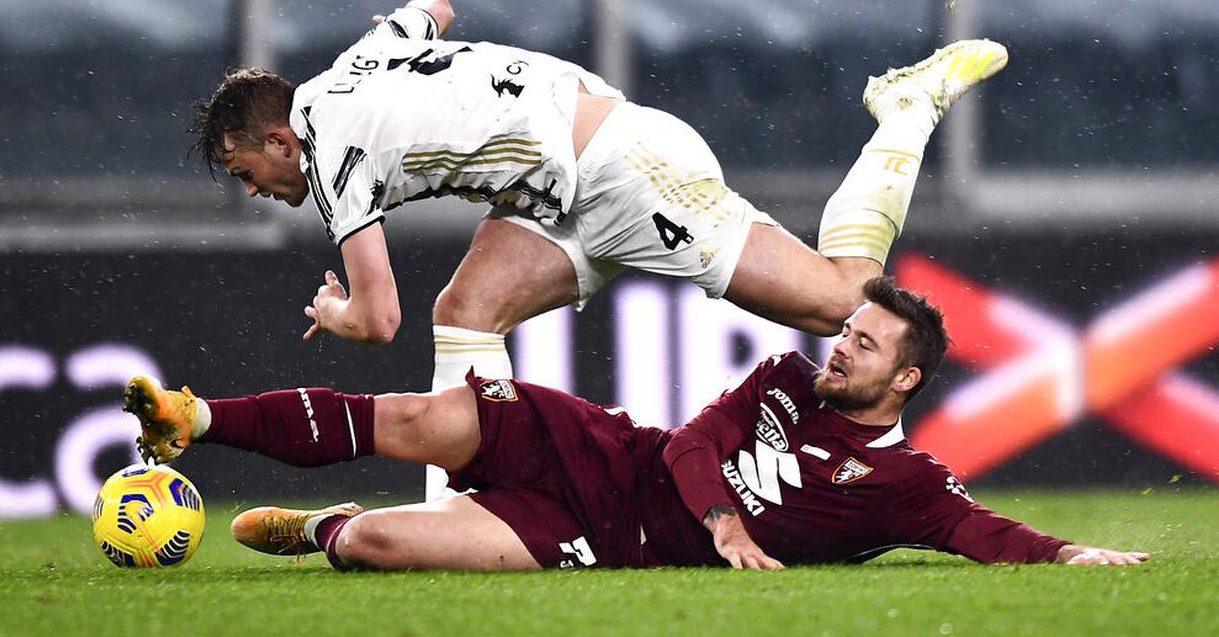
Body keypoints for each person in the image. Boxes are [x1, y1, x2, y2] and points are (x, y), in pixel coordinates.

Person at [191, 0, 1007, 498]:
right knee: (468, 310)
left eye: (246, 170)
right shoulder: (355, 63)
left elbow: (377, 321)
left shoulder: (326, 151)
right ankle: (463, 516)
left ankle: (907, 109)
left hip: (626, 169)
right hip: (557, 192)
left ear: (277, 136)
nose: (255, 189)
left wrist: (336, 315)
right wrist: (415, 44)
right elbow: (434, 5)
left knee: (840, 301)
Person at [123, 277, 1147, 570]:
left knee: (382, 540)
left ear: (906, 377)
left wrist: (1066, 553)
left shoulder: (907, 482)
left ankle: (317, 526)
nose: (841, 348)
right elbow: (696, 443)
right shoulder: (786, 376)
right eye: (847, 332)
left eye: (865, 347)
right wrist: (726, 524)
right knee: (411, 418)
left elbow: (978, 531)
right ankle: (194, 414)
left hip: (601, 537)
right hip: (598, 447)